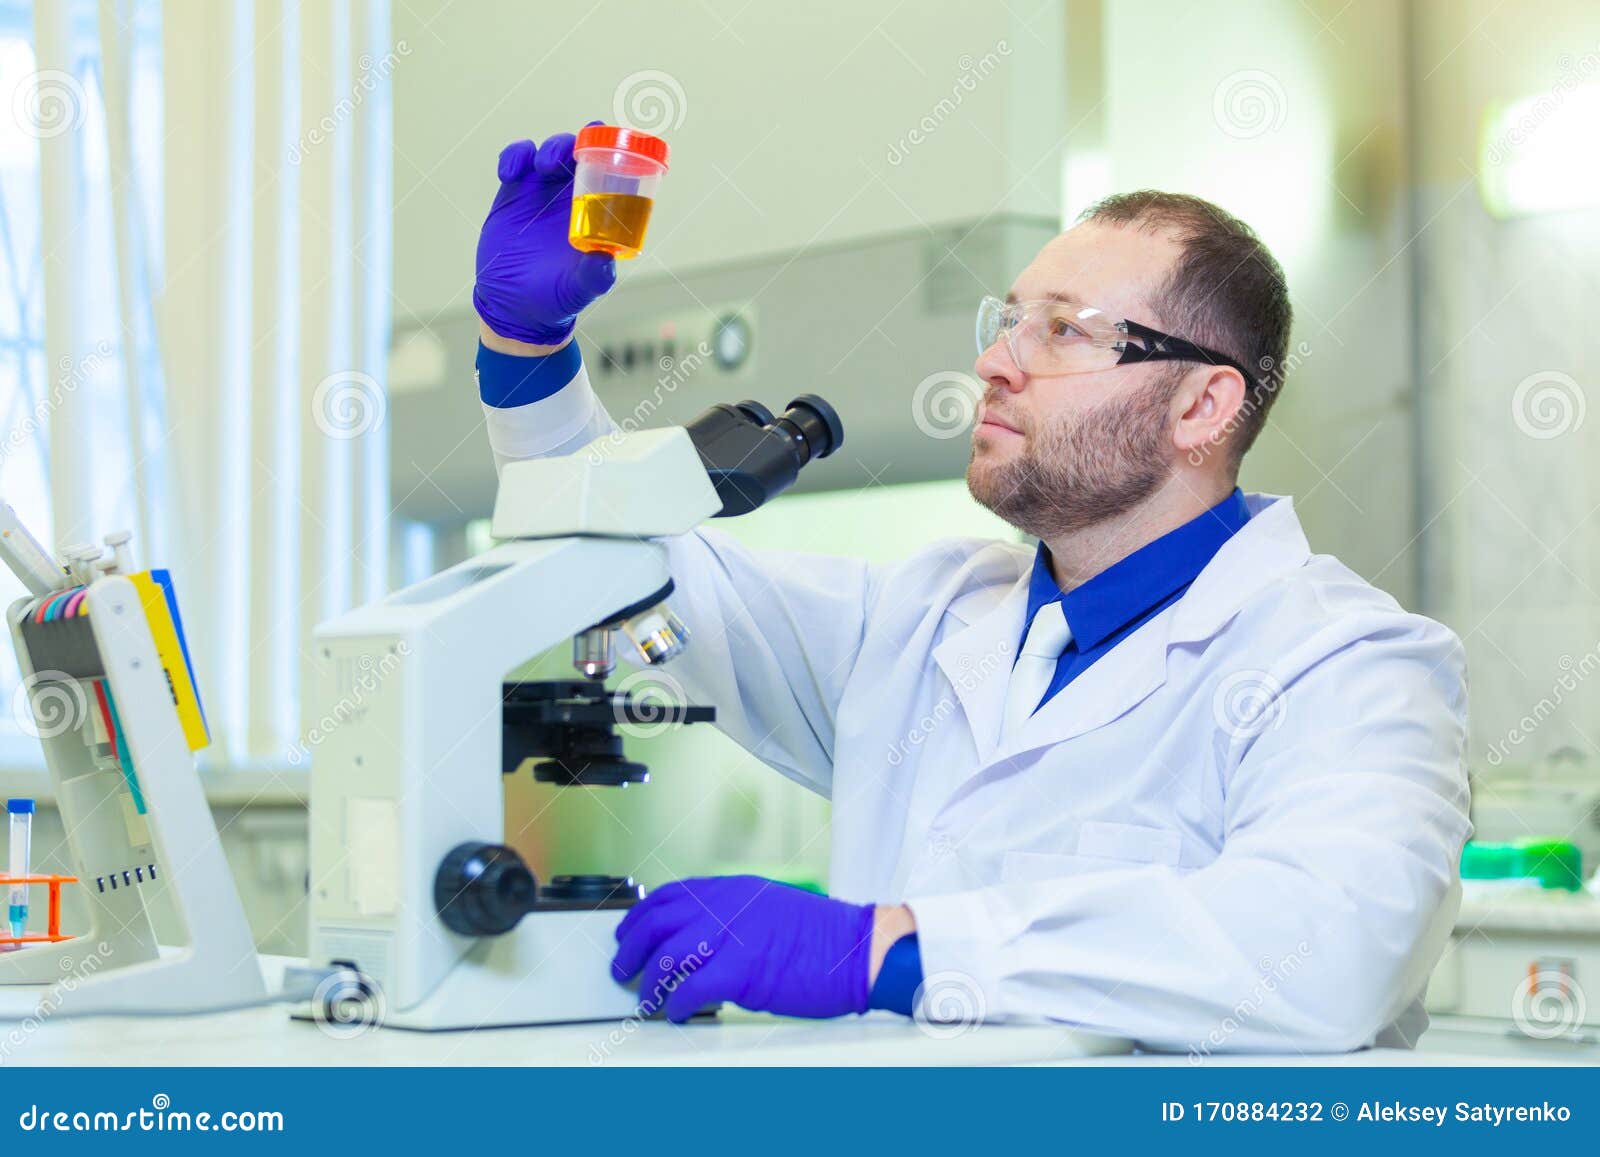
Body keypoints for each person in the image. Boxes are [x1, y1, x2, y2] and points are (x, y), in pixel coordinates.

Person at [470, 127, 1470, 1053]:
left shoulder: (1347, 663)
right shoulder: (920, 617)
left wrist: (883, 949)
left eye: (1065, 332)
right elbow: (636, 580)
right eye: (1005, 323)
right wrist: (528, 358)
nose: (994, 363)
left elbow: (1333, 948)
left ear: (1201, 403)